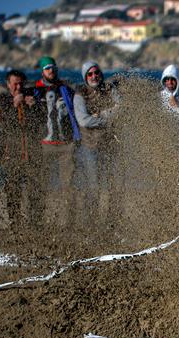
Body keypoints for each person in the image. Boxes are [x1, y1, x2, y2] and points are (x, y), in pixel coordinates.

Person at [0, 69, 46, 229]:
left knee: (36, 188)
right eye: (15, 84)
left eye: (20, 84)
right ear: (8, 84)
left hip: (32, 152)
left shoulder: (31, 97)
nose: (18, 87)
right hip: (12, 153)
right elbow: (3, 125)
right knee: (12, 190)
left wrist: (34, 107)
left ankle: (36, 222)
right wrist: (14, 105)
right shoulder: (3, 102)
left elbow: (42, 122)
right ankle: (15, 223)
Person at [74, 60, 121, 225]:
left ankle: (112, 221)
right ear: (85, 77)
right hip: (90, 146)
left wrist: (99, 115)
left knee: (113, 185)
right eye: (90, 74)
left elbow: (121, 108)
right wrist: (108, 117)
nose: (94, 76)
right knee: (93, 186)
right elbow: (83, 121)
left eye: (96, 72)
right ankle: (92, 222)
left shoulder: (109, 88)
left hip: (111, 144)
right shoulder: (80, 94)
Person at [35, 56, 80, 227]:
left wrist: (76, 137)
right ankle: (38, 220)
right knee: (41, 184)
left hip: (65, 145)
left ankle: (70, 222)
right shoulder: (35, 90)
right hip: (44, 145)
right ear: (42, 71)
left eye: (53, 68)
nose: (51, 71)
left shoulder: (65, 89)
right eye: (47, 68)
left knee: (68, 185)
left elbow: (75, 111)